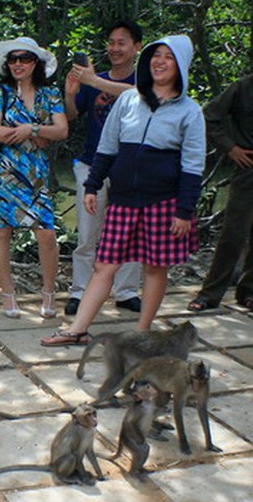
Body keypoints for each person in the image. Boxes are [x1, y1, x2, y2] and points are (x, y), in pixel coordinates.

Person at [41, 35, 205, 346]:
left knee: (155, 269)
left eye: (168, 57)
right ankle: (77, 330)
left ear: (181, 66)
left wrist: (185, 210)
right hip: (123, 199)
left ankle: (142, 334)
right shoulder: (129, 100)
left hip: (163, 202)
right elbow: (107, 147)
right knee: (105, 264)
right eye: (156, 55)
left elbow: (192, 165)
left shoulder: (189, 111)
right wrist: (92, 185)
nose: (159, 62)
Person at [0, 36, 68, 319]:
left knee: (46, 233)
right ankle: (8, 295)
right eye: (13, 59)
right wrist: (36, 133)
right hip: (3, 172)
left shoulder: (50, 93)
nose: (18, 63)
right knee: (2, 231)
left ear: (36, 63)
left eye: (25, 58)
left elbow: (62, 131)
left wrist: (30, 130)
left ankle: (48, 292)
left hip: (36, 173)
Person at [64, 21, 144, 316]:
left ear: (136, 47)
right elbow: (72, 116)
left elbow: (139, 95)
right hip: (91, 166)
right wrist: (72, 93)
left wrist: (93, 80)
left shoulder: (144, 79)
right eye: (111, 42)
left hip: (130, 168)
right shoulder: (91, 81)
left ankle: (126, 292)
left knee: (131, 233)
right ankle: (80, 291)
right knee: (87, 234)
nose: (114, 48)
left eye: (121, 42)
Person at [187, 72, 253, 312]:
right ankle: (210, 294)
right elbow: (208, 116)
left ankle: (248, 291)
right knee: (233, 233)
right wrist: (231, 148)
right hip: (248, 170)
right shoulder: (242, 88)